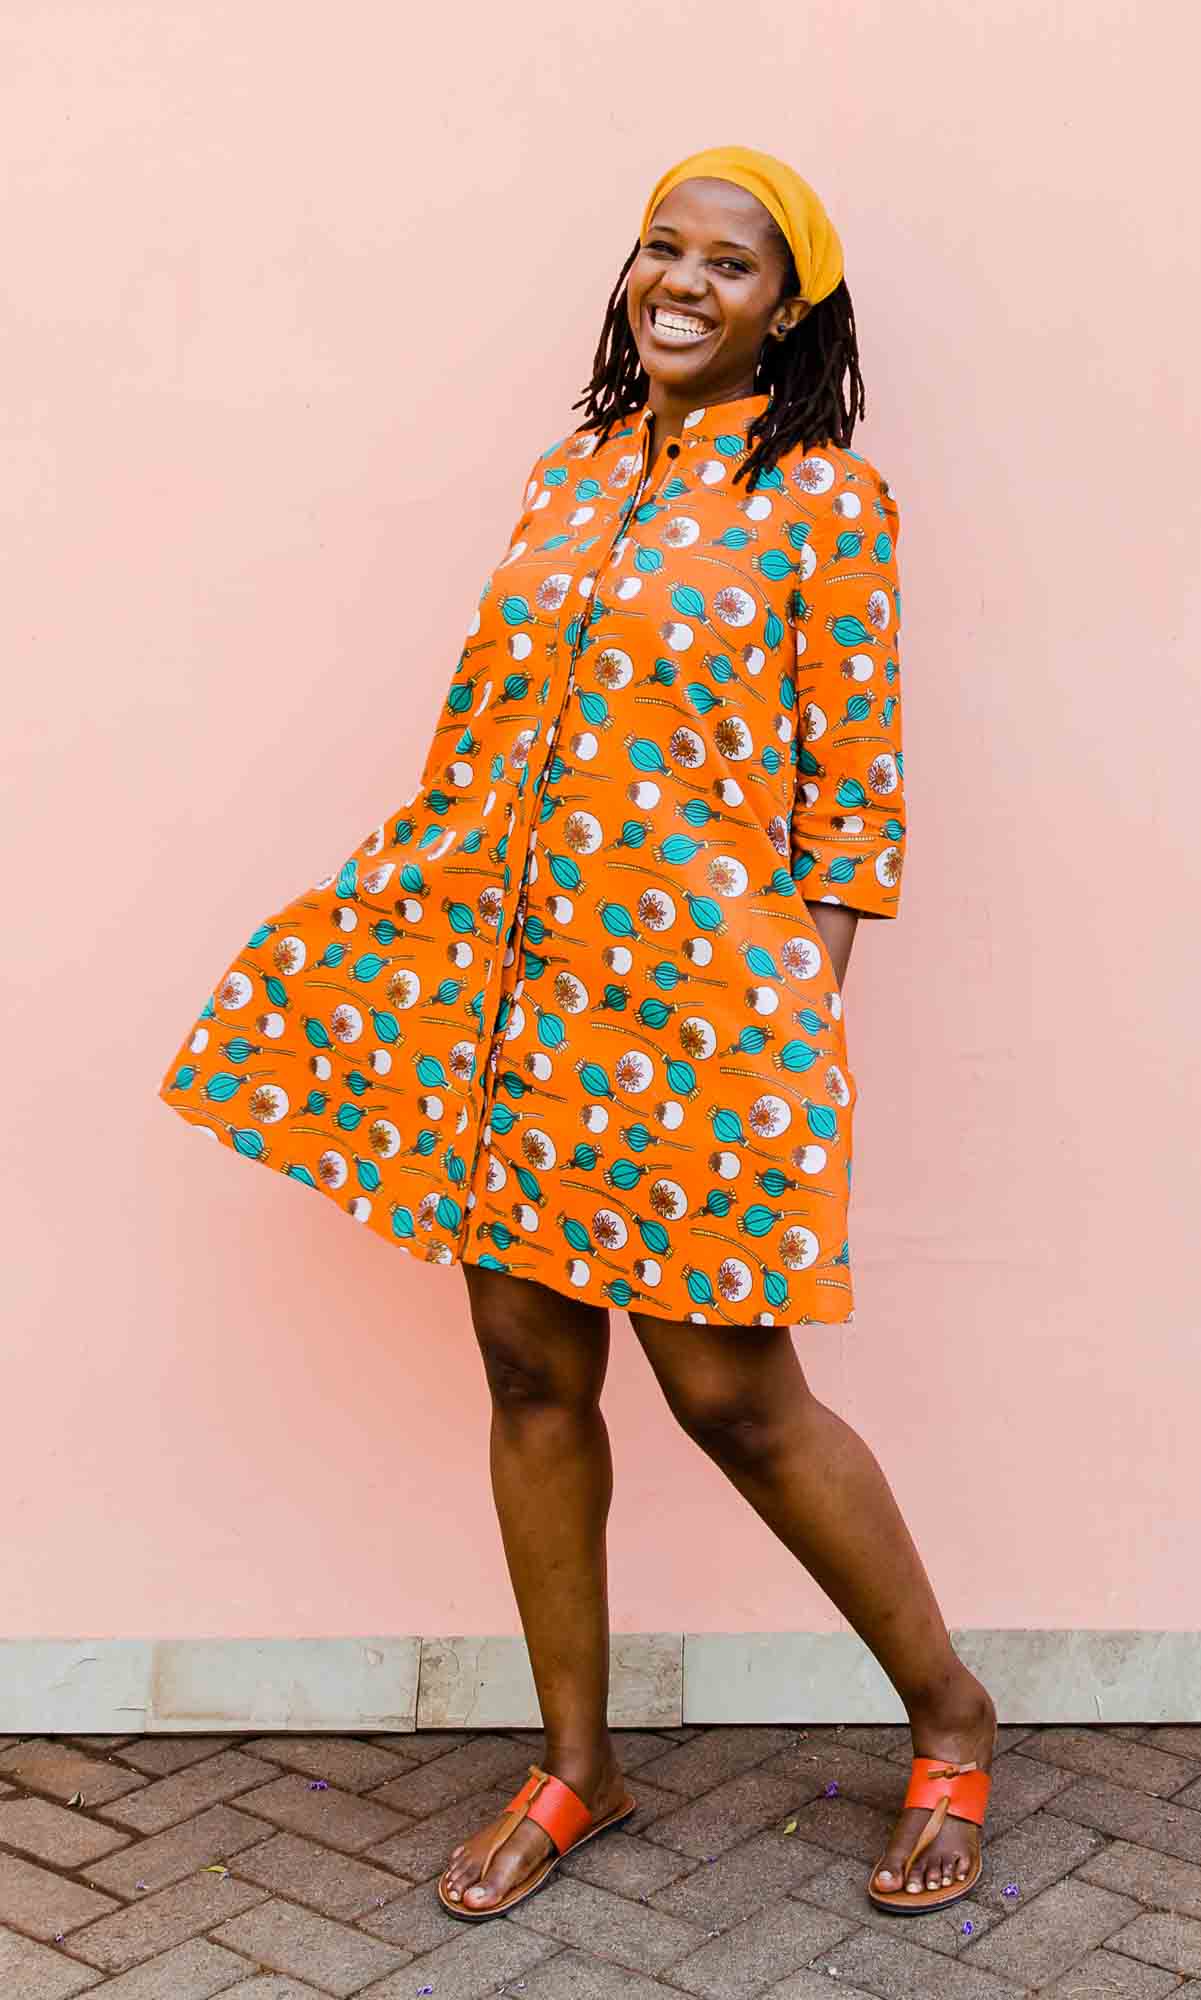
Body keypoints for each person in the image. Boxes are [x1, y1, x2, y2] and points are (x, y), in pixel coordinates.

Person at [156, 142, 997, 1921]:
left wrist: (795, 1025)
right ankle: (578, 1765)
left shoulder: (828, 500)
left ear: (793, 307)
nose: (683, 282)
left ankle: (952, 1716)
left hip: (700, 1013)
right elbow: (484, 747)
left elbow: (849, 800)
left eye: (733, 264)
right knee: (532, 1368)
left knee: (732, 1394)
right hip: (510, 999)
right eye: (661, 248)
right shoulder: (568, 476)